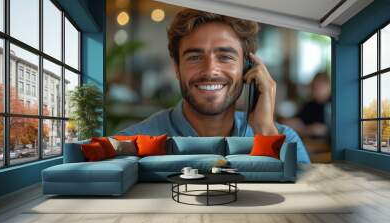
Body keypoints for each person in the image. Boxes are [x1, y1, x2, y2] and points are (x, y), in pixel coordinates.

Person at [117, 9, 310, 163]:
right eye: (194, 57)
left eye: (225, 57)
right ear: (176, 67)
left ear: (247, 67)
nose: (210, 71)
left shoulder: (285, 140)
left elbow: (301, 209)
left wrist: (264, 131)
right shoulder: (131, 144)